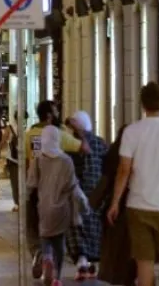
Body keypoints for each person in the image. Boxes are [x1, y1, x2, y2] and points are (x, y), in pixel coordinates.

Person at [107, 82, 159, 286]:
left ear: (142, 104)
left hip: (138, 206)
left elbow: (124, 170)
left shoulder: (132, 132)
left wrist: (115, 202)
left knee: (145, 262)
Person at [25, 100, 88, 278]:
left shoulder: (32, 135)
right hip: (59, 195)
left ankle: (38, 252)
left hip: (38, 192)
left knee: (35, 226)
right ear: (50, 115)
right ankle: (54, 265)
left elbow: (32, 162)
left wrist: (29, 191)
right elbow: (84, 148)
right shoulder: (60, 135)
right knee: (58, 235)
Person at [90, 125, 136, 286]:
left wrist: (92, 204)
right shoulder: (138, 155)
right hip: (136, 210)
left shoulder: (112, 156)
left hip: (117, 212)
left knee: (117, 255)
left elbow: (104, 183)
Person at [66, 110, 107, 280]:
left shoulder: (72, 143)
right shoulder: (100, 142)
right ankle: (92, 262)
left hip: (79, 190)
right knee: (94, 226)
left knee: (77, 224)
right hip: (97, 191)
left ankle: (81, 258)